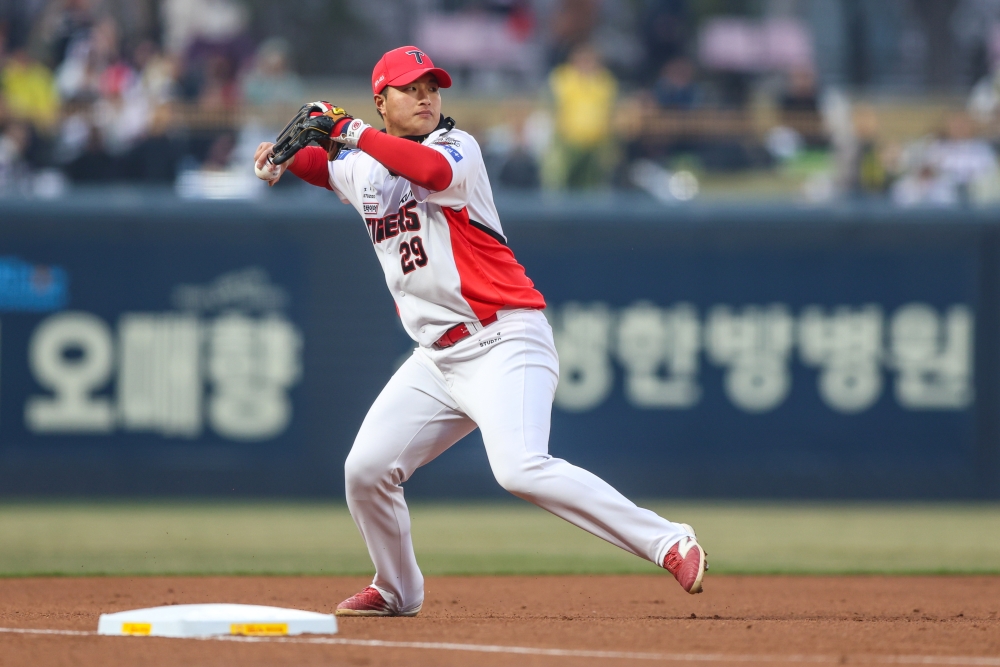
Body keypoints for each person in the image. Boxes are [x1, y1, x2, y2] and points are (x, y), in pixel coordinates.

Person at [253, 45, 707, 618]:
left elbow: (429, 173)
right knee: (365, 471)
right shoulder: (365, 166)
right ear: (382, 101)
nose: (425, 97)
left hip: (506, 338)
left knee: (519, 467)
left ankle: (668, 540)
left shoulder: (456, 146)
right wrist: (280, 156)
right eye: (410, 88)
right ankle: (396, 588)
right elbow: (325, 168)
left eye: (431, 87)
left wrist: (348, 129)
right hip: (437, 360)